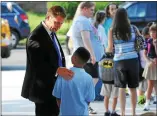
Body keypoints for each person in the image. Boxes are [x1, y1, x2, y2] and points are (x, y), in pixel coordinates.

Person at [21, 6, 74, 116]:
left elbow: (55, 57)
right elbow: (38, 65)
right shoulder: (35, 36)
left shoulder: (50, 32)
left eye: (61, 23)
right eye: (56, 22)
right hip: (43, 91)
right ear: (48, 17)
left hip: (54, 88)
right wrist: (57, 70)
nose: (58, 26)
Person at [107, 8, 141, 116]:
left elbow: (110, 49)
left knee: (122, 88)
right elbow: (140, 43)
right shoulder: (134, 28)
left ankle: (122, 113)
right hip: (133, 60)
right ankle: (134, 112)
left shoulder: (112, 30)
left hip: (120, 61)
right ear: (126, 16)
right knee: (133, 88)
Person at [71, 2, 97, 114]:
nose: (93, 12)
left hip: (79, 54)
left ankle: (83, 104)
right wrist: (92, 54)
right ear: (84, 9)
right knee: (93, 78)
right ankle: (83, 103)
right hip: (83, 55)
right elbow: (86, 39)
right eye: (91, 10)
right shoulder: (83, 21)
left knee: (86, 80)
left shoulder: (78, 20)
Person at [53, 47, 95, 115]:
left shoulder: (63, 74)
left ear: (73, 58)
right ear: (85, 62)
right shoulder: (89, 78)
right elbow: (89, 99)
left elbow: (57, 96)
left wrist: (63, 109)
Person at [143, 23, 157, 111]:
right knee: (150, 85)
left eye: (154, 32)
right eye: (151, 32)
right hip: (151, 64)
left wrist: (155, 45)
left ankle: (155, 98)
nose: (152, 34)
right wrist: (148, 61)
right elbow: (145, 53)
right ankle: (147, 104)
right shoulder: (148, 41)